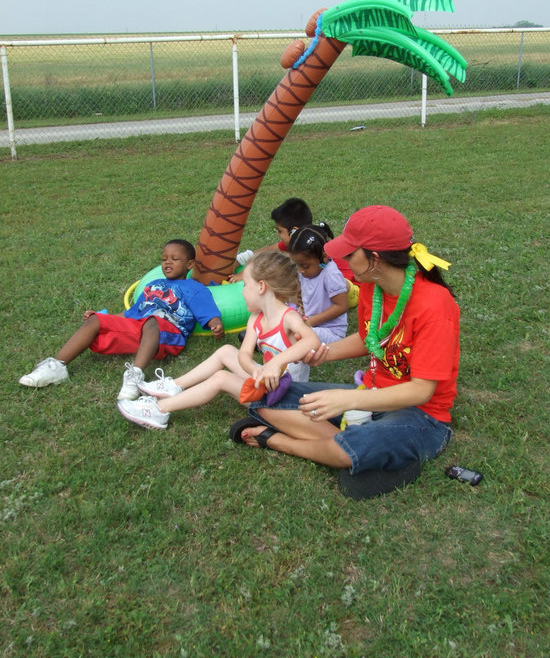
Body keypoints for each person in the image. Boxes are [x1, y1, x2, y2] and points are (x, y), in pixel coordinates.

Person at [230, 206, 460, 499]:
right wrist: (324, 353)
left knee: (349, 446)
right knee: (264, 396)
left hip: (421, 415)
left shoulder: (435, 307)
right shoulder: (372, 287)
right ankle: (364, 449)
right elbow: (370, 339)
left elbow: (422, 391)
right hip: (371, 392)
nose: (343, 260)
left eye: (351, 254)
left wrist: (349, 398)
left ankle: (277, 440)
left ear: (375, 259)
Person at [116, 251, 321, 430]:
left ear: (261, 287)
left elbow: (311, 341)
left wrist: (274, 363)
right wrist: (254, 369)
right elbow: (243, 354)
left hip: (287, 398)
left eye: (245, 285)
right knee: (226, 351)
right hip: (265, 384)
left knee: (221, 378)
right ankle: (173, 386)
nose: (242, 291)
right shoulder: (256, 318)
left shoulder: (288, 317)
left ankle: (159, 410)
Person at [18, 239, 225, 400]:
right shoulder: (152, 286)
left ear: (189, 264)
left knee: (151, 321)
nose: (167, 262)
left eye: (174, 259)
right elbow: (133, 313)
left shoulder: (193, 287)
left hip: (168, 333)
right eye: (164, 259)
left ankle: (135, 376)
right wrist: (103, 317)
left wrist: (214, 323)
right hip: (142, 327)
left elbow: (206, 309)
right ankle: (57, 366)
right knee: (96, 320)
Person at [286, 224, 349, 382]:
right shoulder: (308, 272)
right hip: (310, 324)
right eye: (298, 265)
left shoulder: (331, 274)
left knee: (299, 337)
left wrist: (311, 322)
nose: (301, 270)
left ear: (324, 257)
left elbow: (341, 306)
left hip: (331, 333)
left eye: (305, 266)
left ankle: (295, 383)